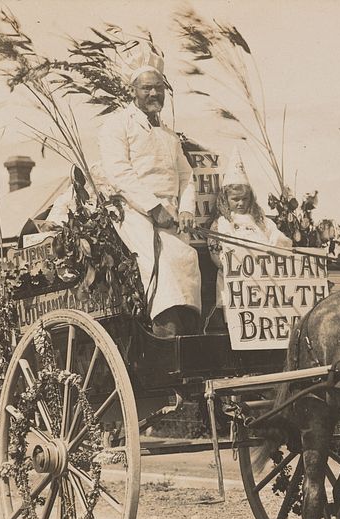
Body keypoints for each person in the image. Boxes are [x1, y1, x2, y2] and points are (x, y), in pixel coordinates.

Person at [98, 43, 201, 338]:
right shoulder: (117, 125)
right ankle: (165, 339)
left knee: (188, 260)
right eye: (146, 89)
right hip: (132, 212)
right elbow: (119, 173)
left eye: (159, 88)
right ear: (134, 91)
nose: (154, 94)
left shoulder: (169, 135)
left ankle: (187, 342)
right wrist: (154, 208)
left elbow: (186, 175)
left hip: (171, 216)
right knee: (163, 266)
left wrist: (184, 210)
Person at [205, 148, 293, 324]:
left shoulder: (262, 221)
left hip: (264, 284)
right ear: (225, 199)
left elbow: (280, 241)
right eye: (235, 199)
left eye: (244, 199)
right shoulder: (221, 224)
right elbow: (217, 256)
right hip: (236, 287)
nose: (240, 203)